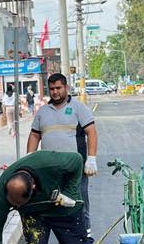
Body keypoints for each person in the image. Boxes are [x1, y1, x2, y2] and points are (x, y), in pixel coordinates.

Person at [28, 73, 99, 233]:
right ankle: (65, 240)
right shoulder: (43, 112)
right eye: (52, 88)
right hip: (50, 169)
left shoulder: (78, 107)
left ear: (65, 87)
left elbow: (91, 132)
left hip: (75, 167)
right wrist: (29, 160)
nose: (55, 92)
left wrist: (92, 158)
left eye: (58, 88)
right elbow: (34, 135)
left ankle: (84, 237)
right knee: (57, 204)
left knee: (78, 200)